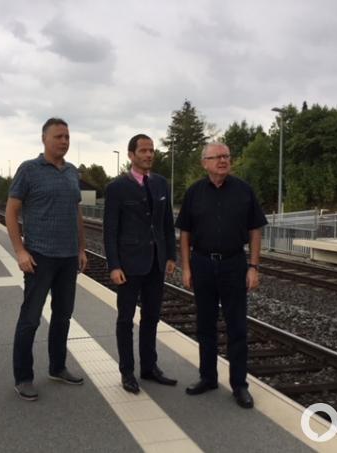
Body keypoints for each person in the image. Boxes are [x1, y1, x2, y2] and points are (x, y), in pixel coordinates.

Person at [175, 142, 267, 409]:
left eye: (226, 156)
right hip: (202, 263)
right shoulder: (194, 192)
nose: (223, 160)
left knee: (237, 327)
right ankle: (208, 377)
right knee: (205, 325)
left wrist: (253, 267)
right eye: (217, 157)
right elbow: (185, 233)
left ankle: (239, 385)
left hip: (234, 264)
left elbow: (255, 230)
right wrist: (187, 268)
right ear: (204, 163)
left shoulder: (244, 191)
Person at [5, 117, 89, 401]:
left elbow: (76, 212)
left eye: (67, 136)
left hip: (68, 258)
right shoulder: (29, 170)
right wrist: (20, 251)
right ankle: (23, 377)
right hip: (39, 257)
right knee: (30, 318)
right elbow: (11, 211)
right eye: (58, 136)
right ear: (44, 139)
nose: (64, 141)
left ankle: (57, 367)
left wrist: (81, 248)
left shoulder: (72, 172)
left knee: (63, 316)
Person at [103, 134, 178, 394]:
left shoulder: (161, 184)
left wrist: (170, 256)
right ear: (131, 155)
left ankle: (149, 367)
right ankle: (127, 371)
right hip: (128, 264)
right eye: (143, 150)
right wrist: (114, 265)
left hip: (156, 263)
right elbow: (110, 230)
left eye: (151, 150)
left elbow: (166, 223)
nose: (148, 155)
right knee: (126, 319)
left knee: (152, 317)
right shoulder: (116, 188)